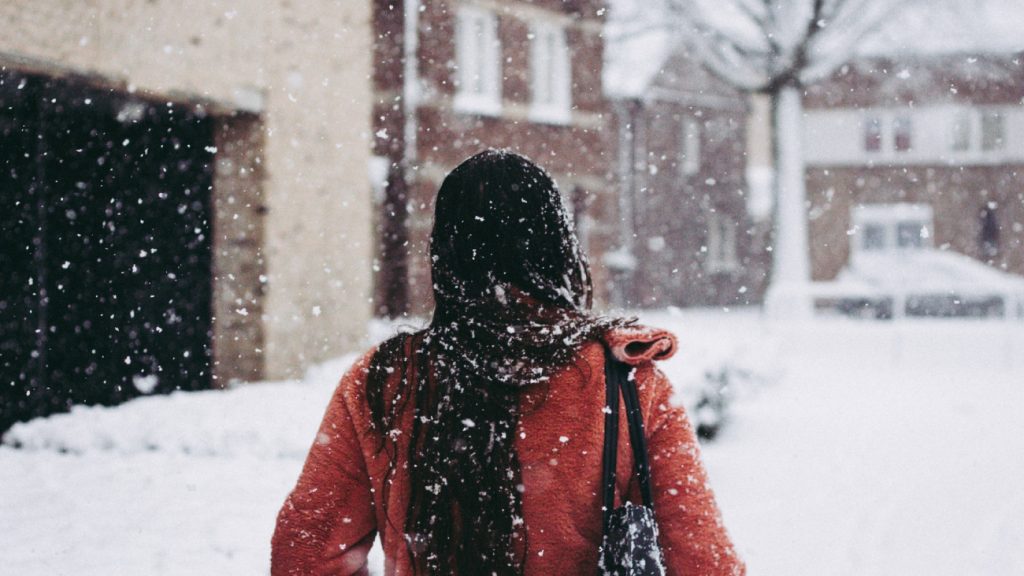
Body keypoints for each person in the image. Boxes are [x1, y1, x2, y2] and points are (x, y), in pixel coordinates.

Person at [270, 150, 744, 575]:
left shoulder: (386, 380)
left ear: (445, 254)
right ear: (560, 246)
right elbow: (706, 561)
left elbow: (306, 553)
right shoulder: (627, 384)